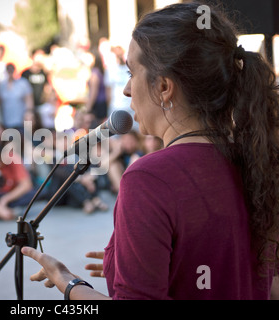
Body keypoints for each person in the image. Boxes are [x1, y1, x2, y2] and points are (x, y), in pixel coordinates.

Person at [21, 3, 279, 300]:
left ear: (165, 87)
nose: (126, 89)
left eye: (132, 73)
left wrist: (68, 283)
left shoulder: (150, 177)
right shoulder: (254, 158)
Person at [0, 63, 34, 132]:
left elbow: (29, 99)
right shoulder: (2, 85)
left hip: (20, 120)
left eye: (12, 70)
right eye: (8, 70)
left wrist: (28, 112)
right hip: (6, 120)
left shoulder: (23, 83)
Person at [84, 50, 109, 124]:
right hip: (102, 104)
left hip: (98, 105)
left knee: (96, 128)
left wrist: (88, 108)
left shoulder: (94, 73)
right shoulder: (100, 72)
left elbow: (93, 93)